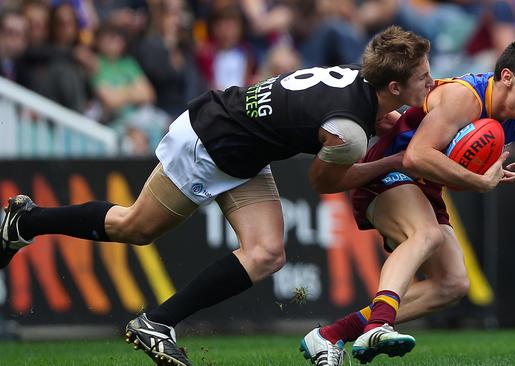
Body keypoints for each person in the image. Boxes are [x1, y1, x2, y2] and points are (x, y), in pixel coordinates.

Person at [0, 26, 433, 366]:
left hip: (244, 146)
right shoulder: (350, 133)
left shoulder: (361, 83)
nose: (430, 81)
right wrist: (396, 163)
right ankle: (26, 221)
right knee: (134, 227)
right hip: (211, 141)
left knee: (266, 252)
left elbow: (350, 115)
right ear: (392, 86)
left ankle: (157, 322)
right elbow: (325, 182)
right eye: (422, 76)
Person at [299, 40, 515, 366]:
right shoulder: (463, 98)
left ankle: (329, 335)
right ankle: (378, 325)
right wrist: (478, 182)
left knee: (452, 284)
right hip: (389, 170)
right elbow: (415, 157)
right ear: (507, 77)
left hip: (425, 185)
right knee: (427, 235)